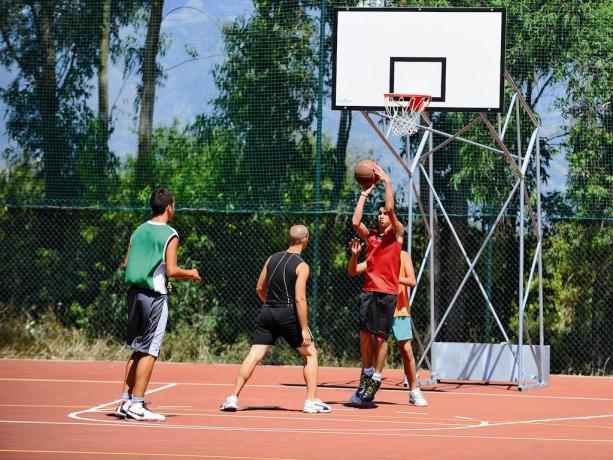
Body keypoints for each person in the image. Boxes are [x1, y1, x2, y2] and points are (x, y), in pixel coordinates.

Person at [219, 225, 331, 414]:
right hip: (288, 313)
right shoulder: (302, 266)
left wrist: (270, 304)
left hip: (267, 312)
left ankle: (232, 398)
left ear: (290, 238)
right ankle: (310, 401)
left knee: (254, 355)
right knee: (310, 354)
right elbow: (299, 299)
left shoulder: (272, 258)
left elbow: (259, 288)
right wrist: (304, 328)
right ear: (305, 239)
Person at [114, 188, 201, 422]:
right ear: (170, 207)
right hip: (153, 298)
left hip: (134, 294)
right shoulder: (170, 234)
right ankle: (138, 404)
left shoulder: (138, 230)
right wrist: (190, 273)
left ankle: (125, 400)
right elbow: (172, 270)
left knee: (138, 347)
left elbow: (127, 263)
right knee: (150, 350)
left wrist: (160, 279)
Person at [347, 239, 428, 407]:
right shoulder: (374, 254)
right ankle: (363, 388)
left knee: (406, 350)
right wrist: (354, 256)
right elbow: (353, 271)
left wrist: (392, 277)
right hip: (379, 309)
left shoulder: (402, 255)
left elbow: (412, 281)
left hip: (399, 310)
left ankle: (415, 391)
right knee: (371, 349)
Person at [350, 162, 404, 403]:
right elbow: (354, 222)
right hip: (369, 290)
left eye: (385, 214)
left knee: (380, 338)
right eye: (379, 214)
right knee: (364, 335)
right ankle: (368, 372)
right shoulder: (371, 236)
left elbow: (392, 208)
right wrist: (364, 194)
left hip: (387, 292)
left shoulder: (397, 234)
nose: (382, 216)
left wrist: (387, 182)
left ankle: (377, 377)